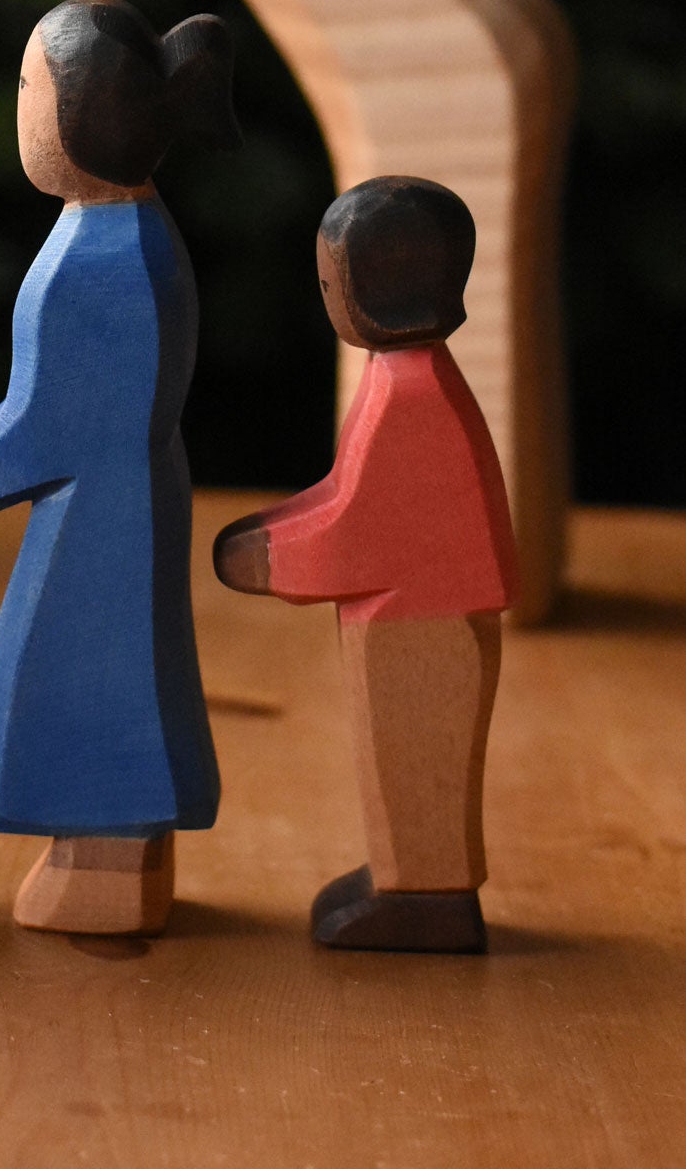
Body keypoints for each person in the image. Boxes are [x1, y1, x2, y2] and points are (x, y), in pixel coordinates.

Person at [0, 0, 238, 935]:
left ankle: (104, 868)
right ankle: (132, 854)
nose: (17, 105)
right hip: (133, 496)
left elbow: (57, 421)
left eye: (29, 85)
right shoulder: (134, 232)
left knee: (86, 669)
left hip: (96, 516)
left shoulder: (95, 259)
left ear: (85, 114)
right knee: (131, 661)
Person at [213, 175, 518, 952]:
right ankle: (404, 879)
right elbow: (349, 495)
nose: (326, 297)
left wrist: (269, 558)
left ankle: (430, 896)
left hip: (423, 622)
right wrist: (274, 528)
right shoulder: (405, 379)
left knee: (416, 767)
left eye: (331, 282)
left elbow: (368, 532)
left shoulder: (412, 396)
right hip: (410, 618)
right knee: (398, 763)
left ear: (378, 288)